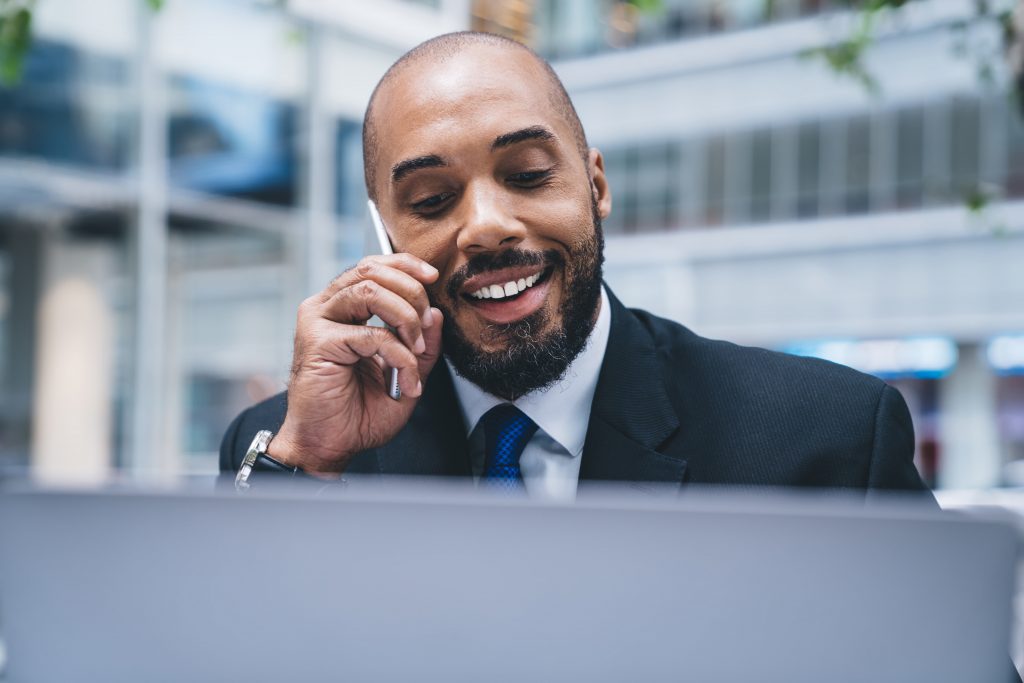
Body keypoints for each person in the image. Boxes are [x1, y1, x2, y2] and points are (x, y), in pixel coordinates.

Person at [220, 31, 930, 501]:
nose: (488, 225)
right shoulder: (290, 442)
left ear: (595, 185)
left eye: (527, 174)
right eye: (433, 199)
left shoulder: (828, 439)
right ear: (385, 236)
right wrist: (304, 464)